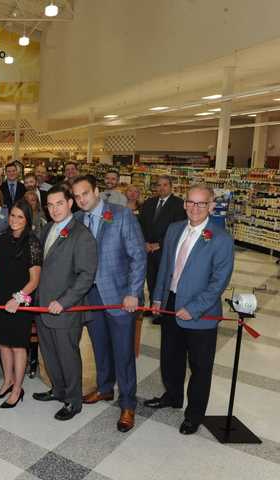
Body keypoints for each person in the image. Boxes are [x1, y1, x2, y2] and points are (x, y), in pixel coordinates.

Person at [145, 185, 234, 435]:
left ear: (211, 206)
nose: (195, 208)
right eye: (191, 202)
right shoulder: (174, 230)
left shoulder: (221, 239)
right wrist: (159, 298)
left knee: (200, 367)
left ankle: (194, 415)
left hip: (201, 313)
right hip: (172, 304)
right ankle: (172, 396)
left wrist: (193, 308)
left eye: (201, 203)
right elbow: (165, 268)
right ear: (184, 204)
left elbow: (219, 282)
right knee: (170, 358)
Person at [72, 175, 146, 432]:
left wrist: (133, 292)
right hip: (90, 297)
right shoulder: (78, 220)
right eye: (77, 196)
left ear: (96, 191)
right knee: (100, 346)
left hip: (119, 296)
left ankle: (128, 403)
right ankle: (105, 388)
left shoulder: (121, 215)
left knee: (123, 352)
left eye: (85, 194)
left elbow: (138, 256)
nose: (81, 200)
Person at [33, 185, 97, 421]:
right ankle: (58, 389)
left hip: (65, 309)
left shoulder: (82, 235)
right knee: (49, 353)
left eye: (59, 203)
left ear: (70, 203)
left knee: (68, 356)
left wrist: (64, 302)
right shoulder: (48, 228)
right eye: (50, 205)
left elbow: (86, 276)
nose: (54, 209)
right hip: (42, 306)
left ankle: (73, 400)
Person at [0, 199, 41, 408]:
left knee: (18, 345)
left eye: (20, 216)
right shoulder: (2, 238)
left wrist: (17, 299)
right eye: (12, 215)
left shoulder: (32, 242)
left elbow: (35, 280)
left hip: (21, 300)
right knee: (3, 342)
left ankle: (18, 389)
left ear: (27, 219)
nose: (15, 220)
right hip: (2, 298)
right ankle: (7, 381)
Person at [138, 175, 187, 322]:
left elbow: (179, 228)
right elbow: (140, 224)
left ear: (171, 186)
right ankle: (154, 307)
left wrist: (160, 244)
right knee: (151, 279)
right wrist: (144, 242)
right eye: (159, 185)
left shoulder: (179, 204)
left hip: (165, 249)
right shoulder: (149, 203)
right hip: (147, 248)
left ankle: (162, 311)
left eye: (165, 185)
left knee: (164, 280)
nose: (161, 188)